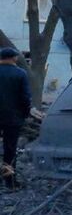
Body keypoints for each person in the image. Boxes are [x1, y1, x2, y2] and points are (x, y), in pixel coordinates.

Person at [0, 48, 31, 189]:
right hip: (13, 118)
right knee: (10, 149)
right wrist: (25, 114)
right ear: (14, 58)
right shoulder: (20, 74)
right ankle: (9, 181)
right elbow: (25, 98)